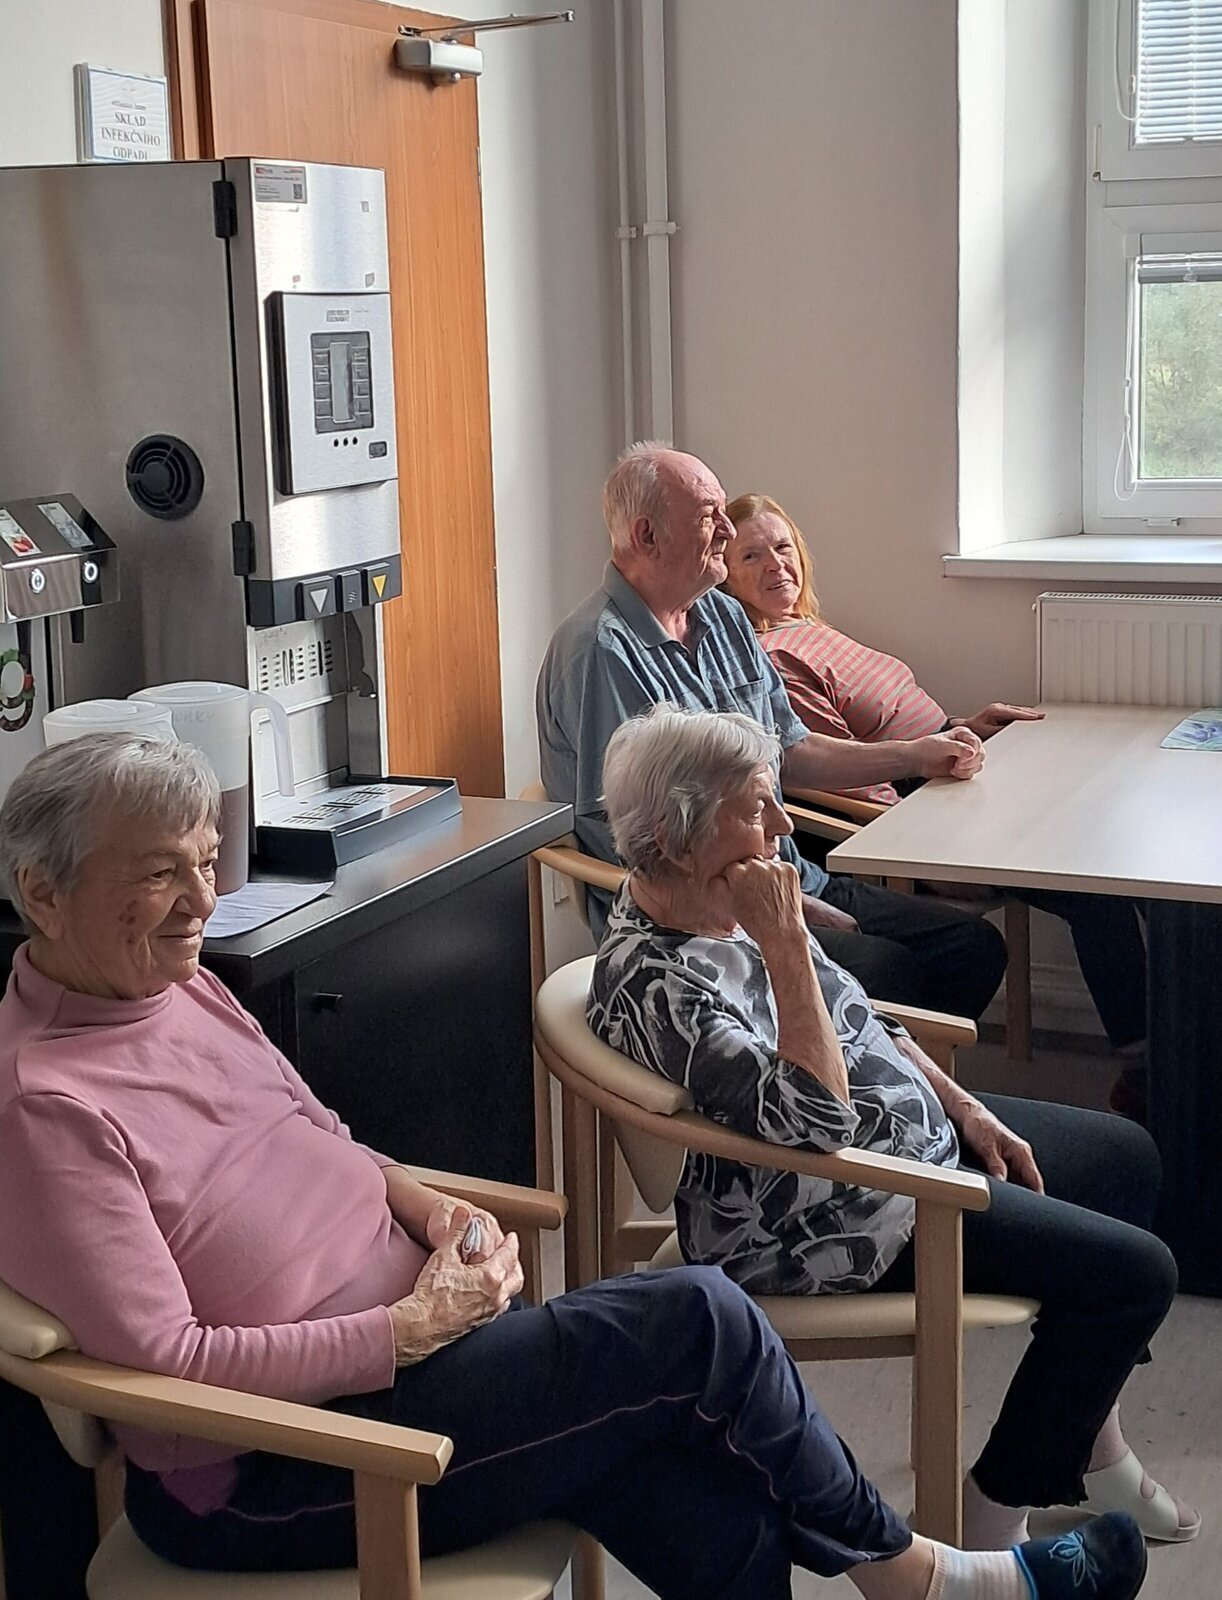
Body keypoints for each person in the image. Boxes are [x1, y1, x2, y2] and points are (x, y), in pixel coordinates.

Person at [0, 733, 1151, 1600]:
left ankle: (935, 1580)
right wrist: (401, 1329)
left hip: (427, 1350)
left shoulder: (182, 988)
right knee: (696, 1318)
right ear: (41, 891)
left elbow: (329, 1138)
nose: (202, 903)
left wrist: (438, 1215)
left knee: (711, 1501)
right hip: (287, 1462)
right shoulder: (47, 1106)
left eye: (208, 862)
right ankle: (926, 1580)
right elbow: (173, 1363)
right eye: (160, 874)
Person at [589, 705, 1198, 1559]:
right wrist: (785, 939)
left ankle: (1091, 1444)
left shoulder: (722, 904)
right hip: (833, 1220)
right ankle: (991, 1516)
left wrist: (963, 1105)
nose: (784, 825)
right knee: (1137, 1276)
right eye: (757, 808)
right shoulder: (656, 982)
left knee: (1125, 1159)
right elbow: (816, 1118)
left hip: (904, 1153)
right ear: (678, 840)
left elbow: (861, 1016)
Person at [537, 442, 1007, 1023]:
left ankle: (864, 1064)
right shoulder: (600, 652)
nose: (726, 532)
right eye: (708, 517)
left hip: (786, 878)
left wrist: (915, 756)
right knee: (890, 971)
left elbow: (793, 750)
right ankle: (829, 1069)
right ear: (647, 536)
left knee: (972, 948)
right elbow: (640, 844)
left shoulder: (723, 616)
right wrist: (784, 911)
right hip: (694, 916)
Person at [721, 494, 1150, 1116]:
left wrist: (962, 725)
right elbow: (847, 774)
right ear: (725, 576)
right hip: (920, 817)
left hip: (951, 779)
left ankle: (1173, 1043)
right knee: (1094, 888)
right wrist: (927, 836)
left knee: (1109, 836)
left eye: (783, 547)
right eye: (751, 556)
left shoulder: (809, 628)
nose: (774, 565)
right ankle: (1142, 1071)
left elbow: (889, 725)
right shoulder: (772, 657)